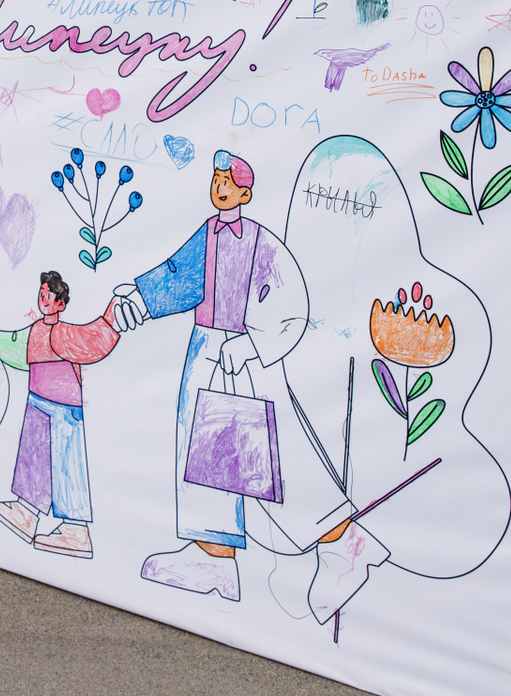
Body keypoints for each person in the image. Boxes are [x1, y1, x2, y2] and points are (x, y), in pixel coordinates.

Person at [112, 150, 389, 623]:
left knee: (275, 457)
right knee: (203, 450)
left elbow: (290, 302)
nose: (219, 188)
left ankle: (344, 545)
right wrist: (140, 297)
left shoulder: (262, 243)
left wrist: (256, 344)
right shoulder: (209, 234)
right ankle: (213, 555)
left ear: (245, 192)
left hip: (248, 356)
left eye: (228, 182)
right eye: (216, 180)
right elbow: (179, 275)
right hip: (207, 348)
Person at [0, 270, 119, 558]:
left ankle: (76, 530)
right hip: (37, 401)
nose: (43, 299)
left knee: (67, 464)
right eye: (41, 294)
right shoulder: (36, 330)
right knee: (34, 457)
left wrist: (112, 318)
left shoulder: (64, 333)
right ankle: (25, 513)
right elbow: (18, 347)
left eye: (48, 296)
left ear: (60, 303)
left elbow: (92, 340)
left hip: (65, 408)